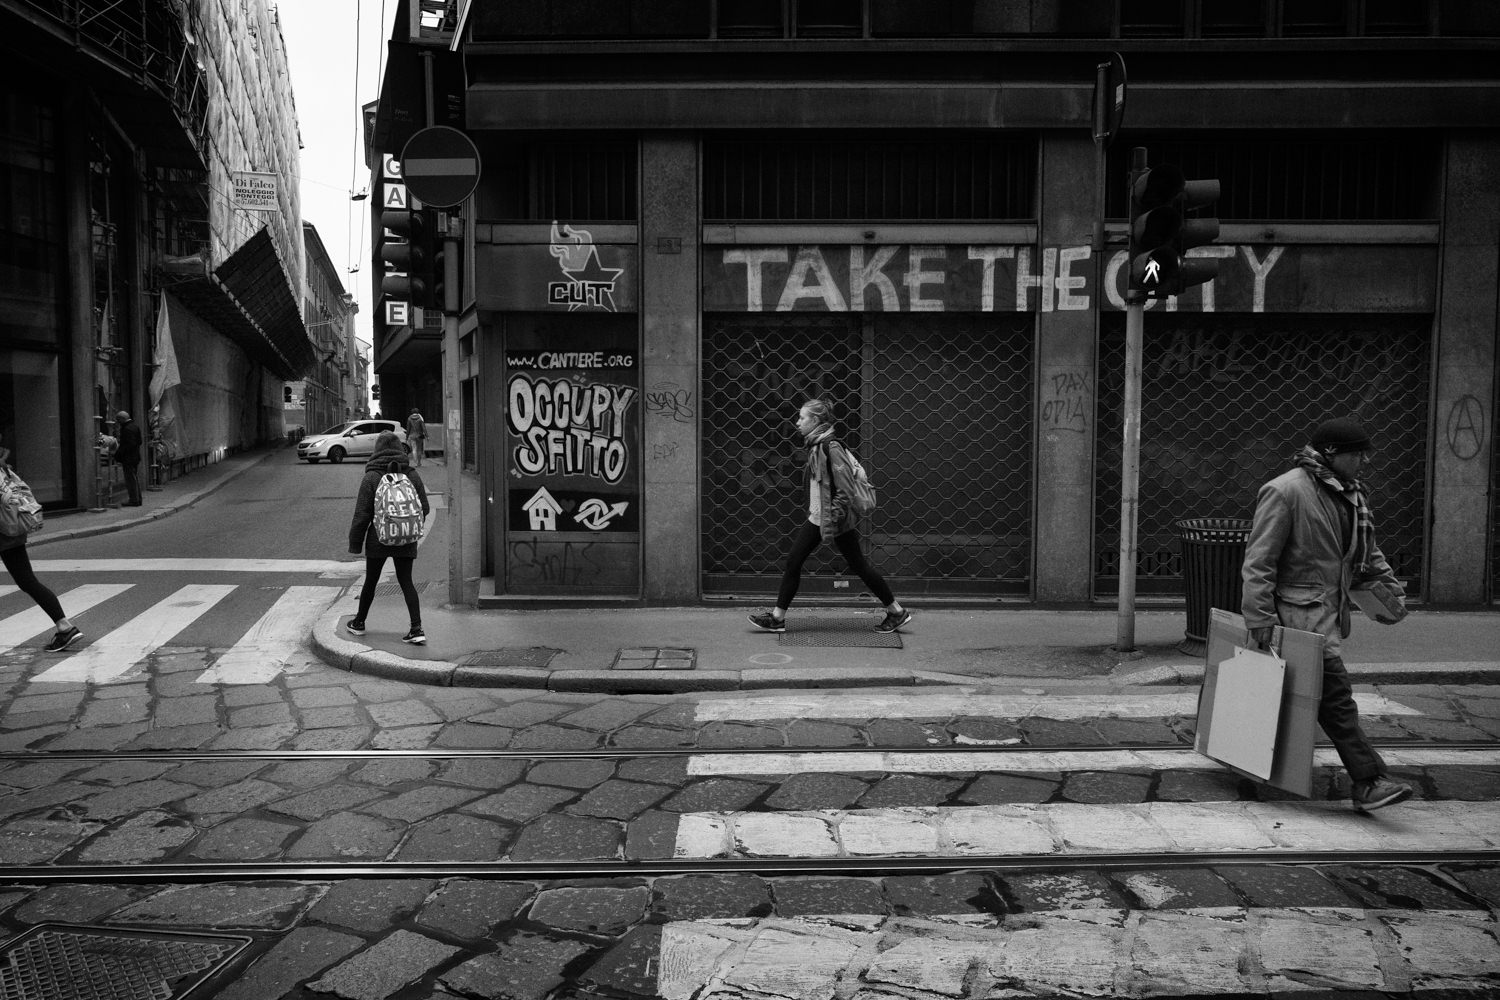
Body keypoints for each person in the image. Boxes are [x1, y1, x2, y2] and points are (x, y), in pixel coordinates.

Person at [1242, 417, 1412, 812]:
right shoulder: (1285, 492)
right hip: (1298, 618)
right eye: (1358, 454)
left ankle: (1238, 752)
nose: (1364, 462)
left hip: (1327, 615)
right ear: (1332, 453)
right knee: (1336, 701)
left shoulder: (1350, 494)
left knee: (1296, 698)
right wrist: (1260, 618)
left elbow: (1366, 552)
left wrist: (1391, 592)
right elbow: (1258, 563)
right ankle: (1369, 781)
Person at [749, 398, 911, 635]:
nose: (797, 422)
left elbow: (844, 490)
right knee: (810, 562)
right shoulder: (817, 444)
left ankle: (897, 612)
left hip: (831, 518)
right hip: (820, 516)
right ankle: (777, 617)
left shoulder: (830, 447)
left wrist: (831, 519)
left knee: (848, 564)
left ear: (815, 421)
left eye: (802, 418)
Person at [1, 434, 83, 651]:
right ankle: (64, 626)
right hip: (14, 530)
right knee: (28, 581)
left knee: (27, 581)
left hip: (4, 530)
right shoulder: (5, 469)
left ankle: (65, 627)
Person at [347, 431, 429, 644]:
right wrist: (404, 524)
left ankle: (359, 623)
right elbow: (424, 509)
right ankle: (417, 629)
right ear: (400, 449)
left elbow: (362, 514)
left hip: (378, 539)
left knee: (371, 581)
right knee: (406, 582)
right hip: (406, 537)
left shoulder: (372, 476)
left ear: (377, 451)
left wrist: (355, 543)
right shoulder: (411, 474)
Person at [115, 409, 143, 506]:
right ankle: (138, 499)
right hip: (135, 457)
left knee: (130, 479)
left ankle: (134, 500)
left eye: (118, 420)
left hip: (129, 458)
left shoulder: (126, 429)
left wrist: (118, 454)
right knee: (134, 478)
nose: (118, 423)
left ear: (122, 419)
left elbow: (127, 445)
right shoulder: (135, 427)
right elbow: (139, 441)